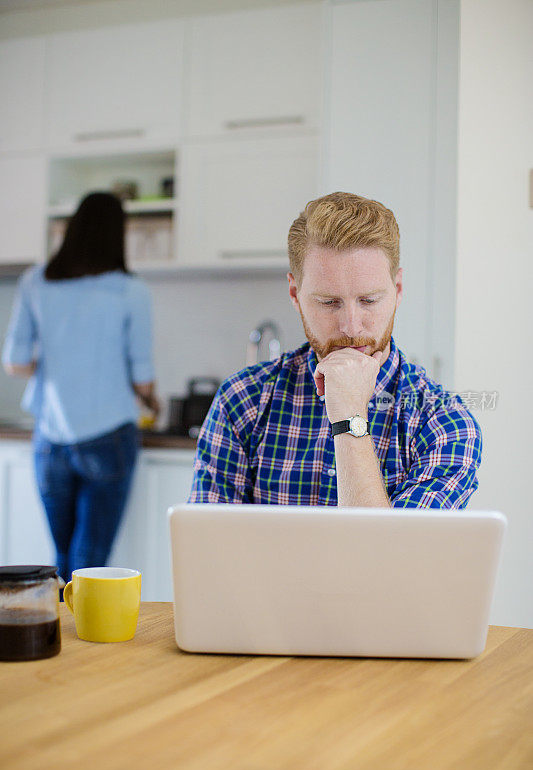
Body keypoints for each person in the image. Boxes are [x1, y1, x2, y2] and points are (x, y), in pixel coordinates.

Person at [189, 191, 482, 508]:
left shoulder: (442, 421)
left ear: (397, 290)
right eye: (329, 303)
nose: (352, 327)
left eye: (369, 300)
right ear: (294, 293)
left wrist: (350, 415)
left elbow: (384, 556)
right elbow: (209, 552)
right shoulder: (243, 399)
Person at [2, 192, 160, 580]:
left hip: (50, 439)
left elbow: (14, 362)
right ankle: (85, 638)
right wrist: (152, 402)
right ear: (117, 234)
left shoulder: (36, 281)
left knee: (61, 555)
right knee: (90, 560)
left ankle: (61, 639)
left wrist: (55, 363)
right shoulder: (130, 290)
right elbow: (142, 377)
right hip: (109, 437)